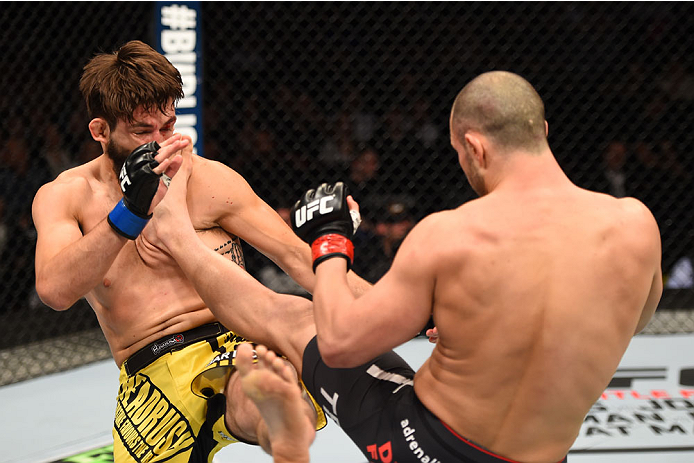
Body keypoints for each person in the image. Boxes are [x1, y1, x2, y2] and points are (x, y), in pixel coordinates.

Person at [31, 40, 369, 463]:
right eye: (141, 132)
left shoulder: (210, 179)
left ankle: (277, 422)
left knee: (253, 384)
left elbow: (300, 258)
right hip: (152, 366)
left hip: (239, 337)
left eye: (167, 127)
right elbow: (54, 291)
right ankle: (273, 416)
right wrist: (129, 212)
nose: (159, 144)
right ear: (100, 131)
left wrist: (408, 312)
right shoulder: (66, 195)